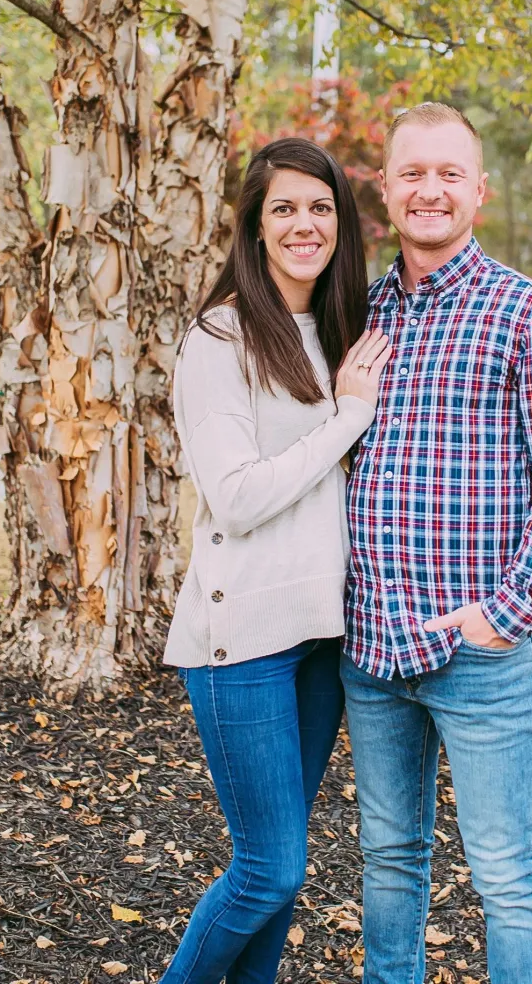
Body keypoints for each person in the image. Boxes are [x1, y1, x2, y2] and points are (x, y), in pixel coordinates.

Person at [340, 103, 532, 984]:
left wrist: (506, 613)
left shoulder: (529, 313)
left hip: (478, 654)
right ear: (384, 188)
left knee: (505, 872)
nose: (430, 189)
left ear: (479, 192)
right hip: (372, 649)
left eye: (450, 173)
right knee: (389, 862)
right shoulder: (363, 312)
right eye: (412, 172)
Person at [161, 136, 391, 984]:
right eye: (284, 208)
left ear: (341, 222)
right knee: (269, 869)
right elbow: (240, 495)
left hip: (323, 637)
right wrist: (349, 416)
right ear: (255, 227)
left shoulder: (337, 327)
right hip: (243, 640)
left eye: (321, 206)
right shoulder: (218, 338)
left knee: (280, 877)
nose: (305, 223)